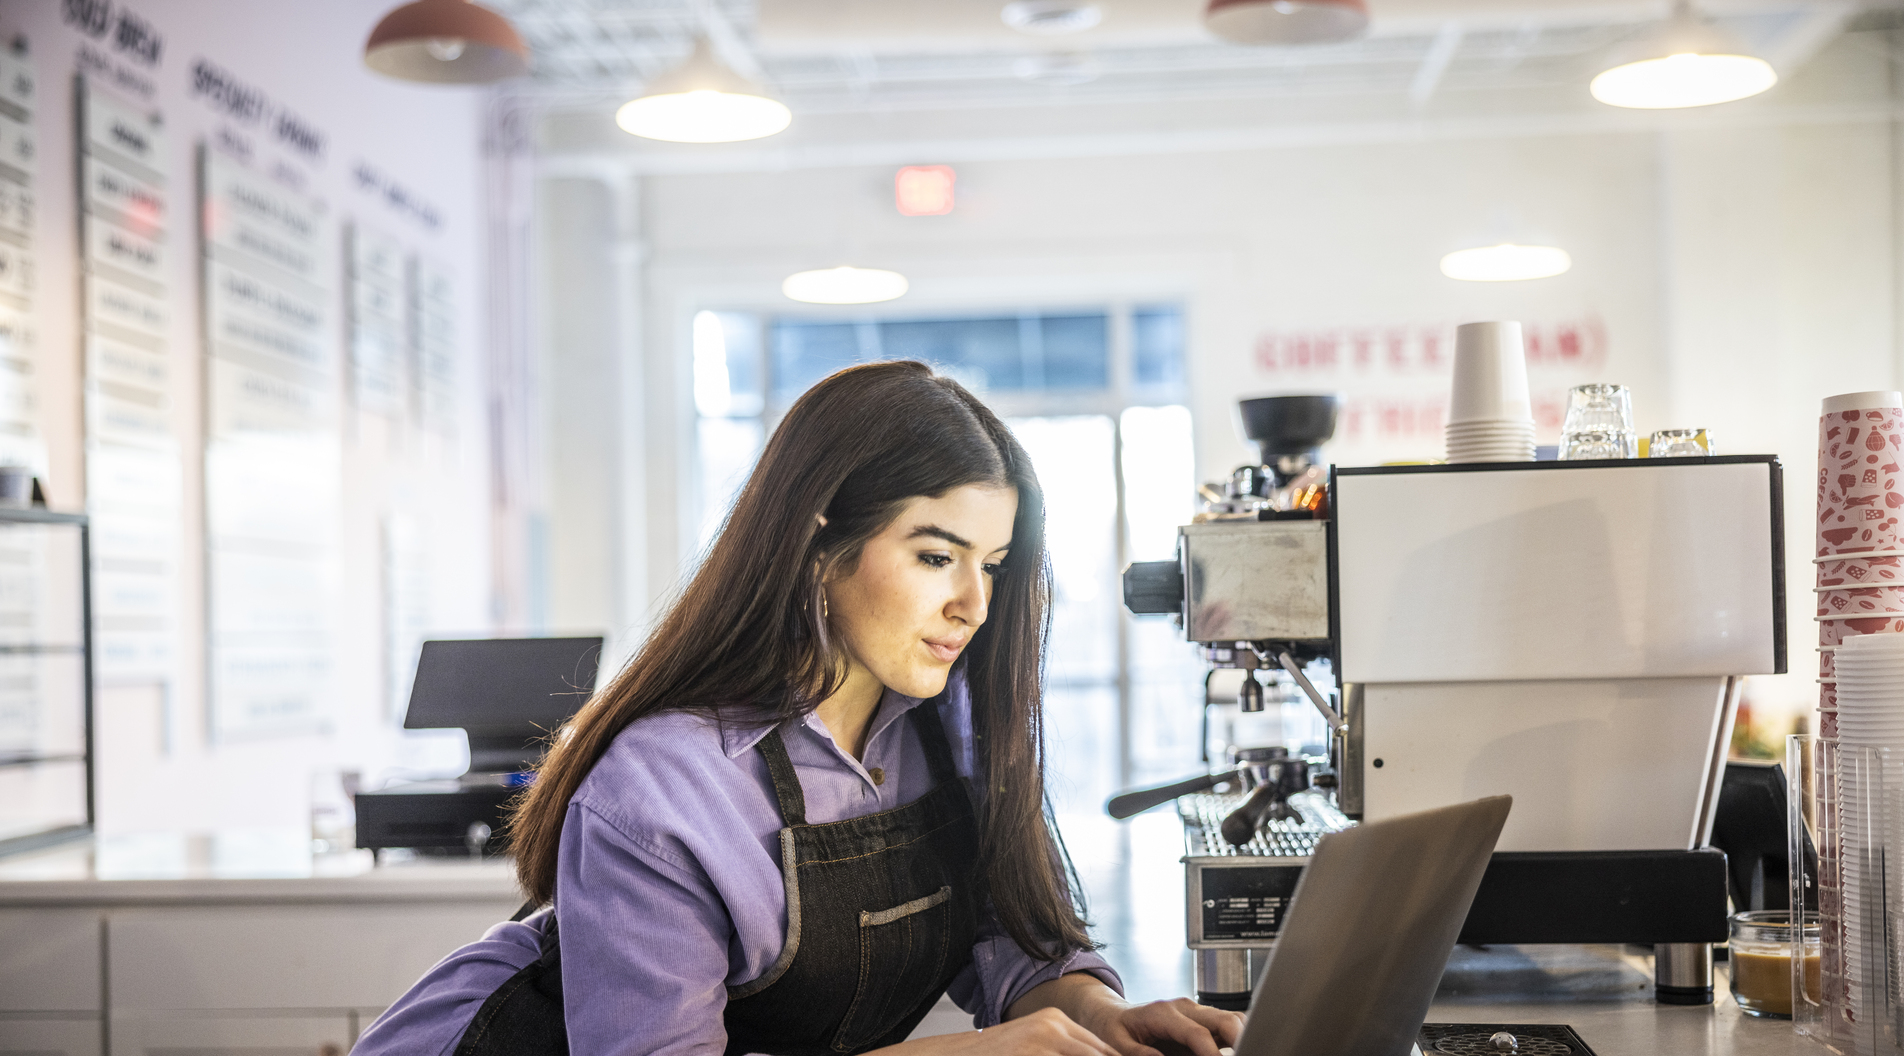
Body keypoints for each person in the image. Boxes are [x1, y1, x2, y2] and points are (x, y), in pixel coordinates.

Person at [352, 361, 1242, 1056]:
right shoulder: (663, 785)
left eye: (994, 565)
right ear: (822, 544)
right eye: (937, 556)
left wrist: (1099, 1016)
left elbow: (1009, 937)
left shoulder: (949, 728)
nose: (975, 603)